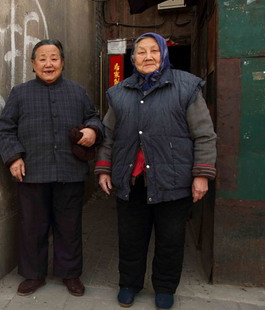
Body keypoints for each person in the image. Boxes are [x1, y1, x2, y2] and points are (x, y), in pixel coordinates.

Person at [95, 32, 216, 310]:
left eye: (154, 51)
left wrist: (201, 174)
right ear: (133, 57)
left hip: (173, 180)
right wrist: (103, 169)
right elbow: (108, 135)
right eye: (141, 52)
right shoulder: (119, 92)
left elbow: (205, 135)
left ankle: (164, 287)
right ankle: (129, 284)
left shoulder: (186, 87)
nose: (148, 57)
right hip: (131, 179)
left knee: (171, 239)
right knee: (130, 237)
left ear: (164, 54)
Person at [0, 39, 104, 297]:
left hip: (70, 171)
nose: (48, 63)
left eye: (54, 58)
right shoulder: (20, 93)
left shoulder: (77, 92)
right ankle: (34, 274)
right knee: (32, 226)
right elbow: (5, 128)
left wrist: (92, 130)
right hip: (32, 171)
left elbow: (94, 118)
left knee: (69, 227)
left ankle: (70, 274)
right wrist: (14, 158)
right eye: (42, 58)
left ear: (62, 63)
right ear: (33, 65)